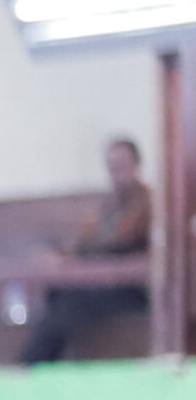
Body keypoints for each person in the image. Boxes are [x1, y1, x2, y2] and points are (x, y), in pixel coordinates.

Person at [23, 137, 153, 365]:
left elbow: (118, 240)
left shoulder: (146, 201)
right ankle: (39, 360)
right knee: (59, 294)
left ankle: (31, 362)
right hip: (105, 284)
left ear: (136, 166)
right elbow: (86, 238)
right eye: (112, 168)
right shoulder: (109, 205)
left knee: (72, 301)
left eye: (122, 167)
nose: (117, 174)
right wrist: (62, 254)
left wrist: (73, 257)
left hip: (131, 289)